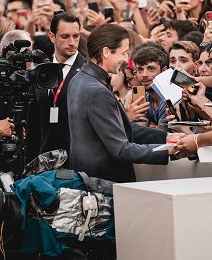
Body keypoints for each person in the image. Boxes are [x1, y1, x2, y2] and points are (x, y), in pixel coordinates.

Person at [67, 24, 170, 183]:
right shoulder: (96, 90)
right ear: (106, 52)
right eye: (123, 53)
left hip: (90, 177)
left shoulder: (79, 79)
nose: (126, 59)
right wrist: (168, 150)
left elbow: (121, 127)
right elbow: (121, 150)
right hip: (104, 183)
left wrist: (167, 138)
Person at [26, 12, 86, 163]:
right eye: (65, 36)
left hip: (77, 162)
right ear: (52, 36)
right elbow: (34, 123)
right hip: (43, 161)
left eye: (76, 36)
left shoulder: (88, 71)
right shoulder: (41, 72)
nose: (72, 42)